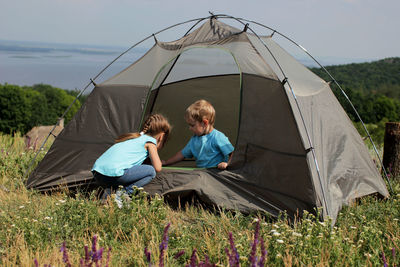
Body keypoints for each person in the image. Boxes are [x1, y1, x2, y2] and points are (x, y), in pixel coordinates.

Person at [92, 114, 171, 197]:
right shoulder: (150, 142)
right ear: (161, 137)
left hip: (97, 173)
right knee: (151, 171)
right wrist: (162, 162)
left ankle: (108, 193)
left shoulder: (134, 138)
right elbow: (158, 167)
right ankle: (122, 195)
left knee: (125, 172)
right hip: (114, 175)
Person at [163, 99, 234, 169]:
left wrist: (227, 164)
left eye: (192, 125)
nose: (189, 128)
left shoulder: (218, 137)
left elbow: (232, 153)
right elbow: (182, 154)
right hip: (201, 174)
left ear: (205, 123)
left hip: (216, 174)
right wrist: (166, 162)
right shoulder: (194, 139)